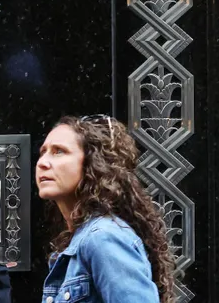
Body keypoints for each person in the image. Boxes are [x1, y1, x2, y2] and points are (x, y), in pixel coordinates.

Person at [37, 115, 174, 303]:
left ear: (92, 164)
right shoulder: (81, 239)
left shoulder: (102, 237)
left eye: (59, 151)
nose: (42, 162)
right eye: (43, 152)